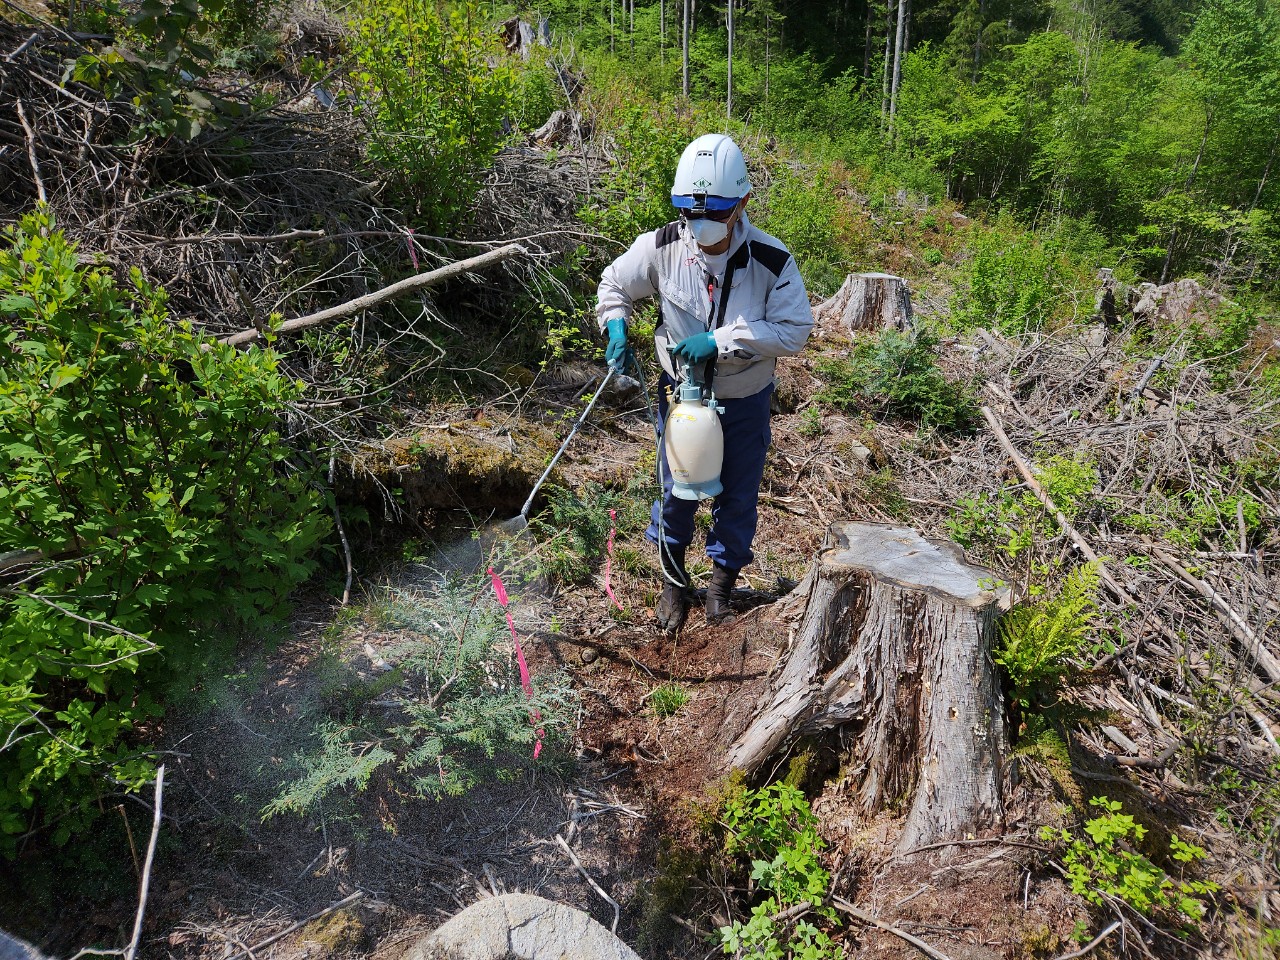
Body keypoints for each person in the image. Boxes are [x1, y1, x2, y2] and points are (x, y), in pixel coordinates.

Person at [595, 133, 814, 631]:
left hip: (743, 395)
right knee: (677, 489)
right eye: (693, 214)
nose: (703, 226)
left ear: (741, 205)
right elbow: (614, 283)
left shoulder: (770, 261)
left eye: (714, 213)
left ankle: (720, 586)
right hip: (681, 396)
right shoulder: (662, 247)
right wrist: (616, 324)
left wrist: (721, 340)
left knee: (738, 492)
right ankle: (674, 584)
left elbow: (795, 329)